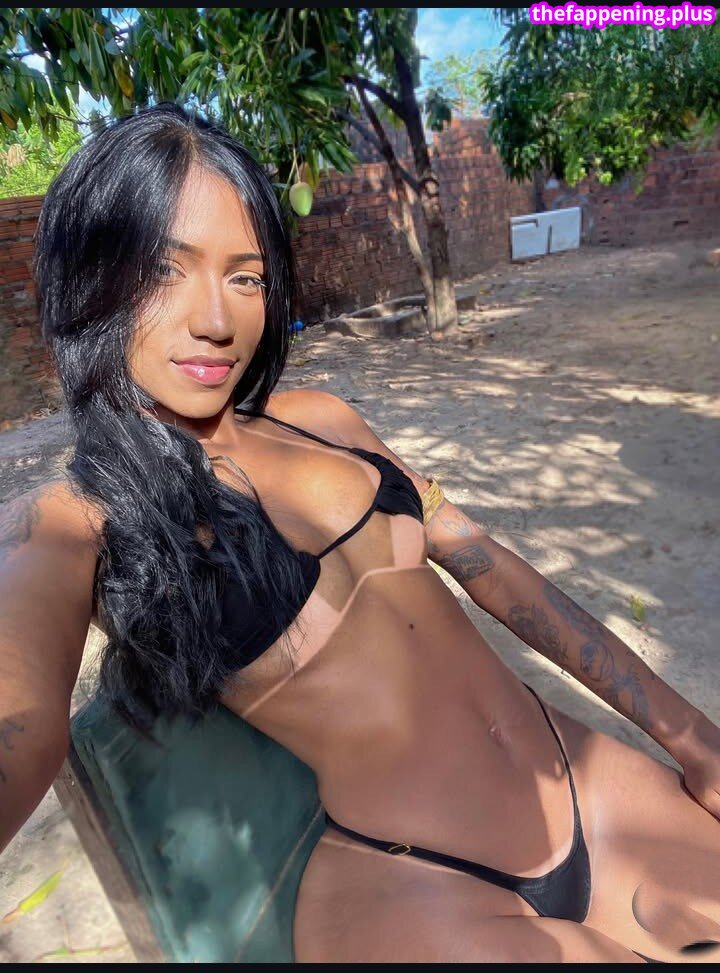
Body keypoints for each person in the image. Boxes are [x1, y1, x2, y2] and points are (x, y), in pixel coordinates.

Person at [0, 103, 718, 965]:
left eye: (246, 277)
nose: (216, 318)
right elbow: (20, 723)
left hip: (574, 777)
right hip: (422, 885)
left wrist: (690, 735)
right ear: (93, 281)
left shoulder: (323, 418)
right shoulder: (77, 516)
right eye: (165, 270)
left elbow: (489, 566)